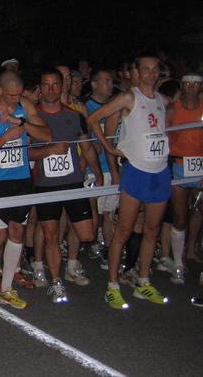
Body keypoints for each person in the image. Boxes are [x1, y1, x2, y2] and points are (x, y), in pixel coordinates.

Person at [88, 55, 171, 309]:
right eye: (146, 69)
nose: (151, 74)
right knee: (123, 231)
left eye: (155, 70)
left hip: (160, 171)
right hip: (136, 171)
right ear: (137, 72)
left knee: (152, 230)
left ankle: (143, 281)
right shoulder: (128, 97)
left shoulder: (162, 100)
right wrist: (110, 148)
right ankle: (112, 286)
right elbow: (93, 119)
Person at [0, 70, 51, 313]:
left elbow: (47, 134)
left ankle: (6, 290)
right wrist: (5, 137)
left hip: (22, 179)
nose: (15, 100)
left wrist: (21, 124)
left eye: (18, 95)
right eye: (11, 95)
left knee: (17, 231)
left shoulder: (24, 106)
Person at [29, 68, 101, 303]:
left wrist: (99, 175)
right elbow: (25, 153)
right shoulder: (33, 117)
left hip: (73, 182)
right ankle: (56, 281)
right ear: (40, 88)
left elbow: (87, 148)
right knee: (51, 235)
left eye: (55, 85)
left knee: (87, 233)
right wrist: (49, 150)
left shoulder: (74, 115)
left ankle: (70, 264)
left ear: (62, 87)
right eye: (46, 85)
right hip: (46, 185)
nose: (50, 90)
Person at [162, 73, 203, 282]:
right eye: (187, 84)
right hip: (179, 164)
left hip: (201, 163)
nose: (191, 88)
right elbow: (163, 137)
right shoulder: (172, 109)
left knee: (199, 211)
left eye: (195, 84)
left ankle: (191, 249)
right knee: (179, 216)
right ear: (182, 86)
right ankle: (178, 263)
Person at [84, 70, 119, 269]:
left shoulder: (117, 106)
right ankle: (92, 243)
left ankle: (109, 251)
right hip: (93, 168)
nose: (110, 84)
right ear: (94, 84)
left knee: (109, 212)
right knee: (93, 213)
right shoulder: (86, 107)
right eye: (105, 80)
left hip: (112, 166)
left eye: (111, 80)